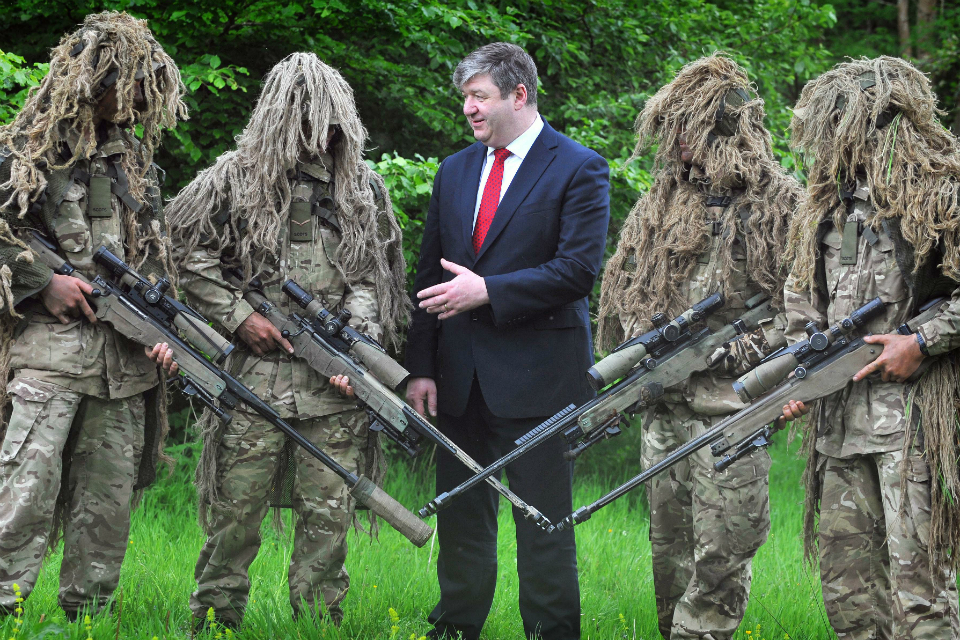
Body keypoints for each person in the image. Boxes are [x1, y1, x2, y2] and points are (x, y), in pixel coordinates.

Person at [163, 52, 408, 629]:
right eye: (301, 119)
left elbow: (372, 276)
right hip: (253, 382)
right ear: (277, 115)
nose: (313, 134)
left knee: (328, 516)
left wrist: (359, 344)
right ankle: (217, 618)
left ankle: (318, 623)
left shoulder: (360, 190)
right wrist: (241, 315)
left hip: (334, 389)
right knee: (234, 514)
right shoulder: (230, 180)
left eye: (324, 122)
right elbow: (189, 257)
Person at [404, 42, 610, 640]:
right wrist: (420, 368)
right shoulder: (455, 169)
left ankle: (550, 632)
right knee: (462, 518)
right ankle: (454, 628)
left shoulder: (578, 166)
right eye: (465, 97)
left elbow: (577, 271)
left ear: (520, 95)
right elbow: (429, 278)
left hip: (541, 381)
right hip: (459, 380)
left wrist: (488, 291)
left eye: (479, 96)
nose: (468, 108)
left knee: (543, 524)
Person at [597, 54, 802, 640]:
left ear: (724, 127)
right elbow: (631, 288)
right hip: (665, 408)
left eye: (688, 126)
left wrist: (744, 350)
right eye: (671, 127)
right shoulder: (663, 202)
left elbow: (805, 310)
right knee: (669, 551)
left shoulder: (780, 204)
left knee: (722, 550)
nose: (676, 141)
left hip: (731, 410)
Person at [0, 11, 186, 619]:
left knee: (106, 508)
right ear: (95, 79)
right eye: (132, 85)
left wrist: (162, 332)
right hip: (50, 359)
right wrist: (41, 281)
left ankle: (89, 621)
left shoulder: (133, 163)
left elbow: (154, 253)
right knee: (23, 497)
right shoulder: (24, 151)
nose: (141, 100)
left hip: (122, 367)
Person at [783, 56, 960, 638]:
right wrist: (797, 367)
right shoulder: (827, 206)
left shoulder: (941, 190)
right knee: (850, 596)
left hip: (911, 427)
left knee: (922, 599)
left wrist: (922, 341)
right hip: (838, 426)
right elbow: (801, 295)